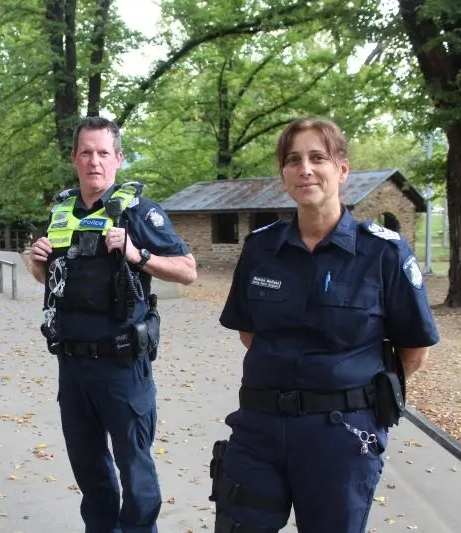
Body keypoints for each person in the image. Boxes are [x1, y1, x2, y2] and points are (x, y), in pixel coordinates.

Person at [210, 117, 439, 533]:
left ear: (343, 170)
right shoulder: (261, 248)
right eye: (294, 159)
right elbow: (250, 332)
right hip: (258, 429)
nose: (306, 169)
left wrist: (345, 392)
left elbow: (414, 351)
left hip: (342, 436)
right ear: (283, 173)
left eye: (318, 157)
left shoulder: (383, 254)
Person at [29, 116, 197, 533]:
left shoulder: (139, 212)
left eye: (103, 153)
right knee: (90, 473)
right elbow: (54, 278)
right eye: (86, 152)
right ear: (74, 158)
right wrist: (37, 264)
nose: (94, 162)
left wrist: (139, 255)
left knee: (135, 472)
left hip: (122, 366)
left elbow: (188, 270)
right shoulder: (61, 213)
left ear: (118, 159)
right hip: (72, 367)